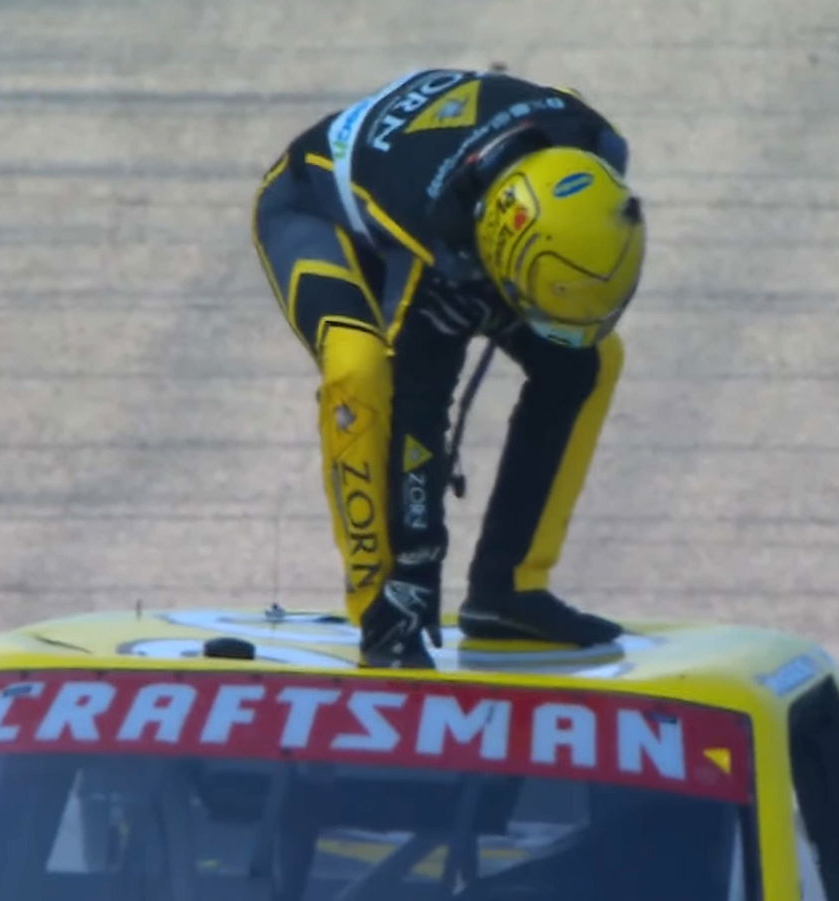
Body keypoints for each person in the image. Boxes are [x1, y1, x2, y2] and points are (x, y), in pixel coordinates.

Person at [250, 65, 646, 668]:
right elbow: (421, 413)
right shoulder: (435, 235)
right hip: (315, 207)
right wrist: (415, 572)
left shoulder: (597, 146)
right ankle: (379, 606)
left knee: (588, 361)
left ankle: (508, 591)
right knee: (359, 370)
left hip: (457, 181)